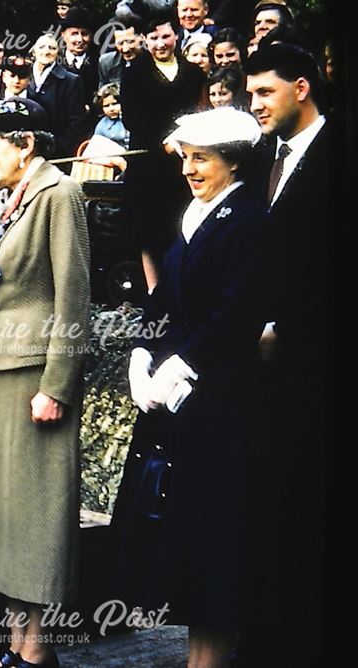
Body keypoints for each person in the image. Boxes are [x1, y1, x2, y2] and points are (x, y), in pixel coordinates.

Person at [112, 106, 266, 668]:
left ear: (232, 160)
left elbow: (236, 311)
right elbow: (164, 299)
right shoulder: (196, 213)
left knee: (214, 542)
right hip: (180, 406)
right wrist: (140, 352)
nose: (190, 170)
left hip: (221, 403)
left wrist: (183, 365)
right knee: (184, 541)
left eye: (202, 159)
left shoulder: (247, 217)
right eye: (186, 158)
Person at [0, 96, 90, 668]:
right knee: (3, 516)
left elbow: (73, 296)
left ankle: (37, 652)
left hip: (35, 380)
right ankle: (15, 647)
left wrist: (57, 385)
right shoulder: (5, 200)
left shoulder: (60, 194)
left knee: (35, 519)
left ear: (24, 143)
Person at [238, 42, 330, 666]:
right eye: (249, 94)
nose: (254, 105)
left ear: (301, 87)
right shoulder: (267, 158)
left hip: (319, 372)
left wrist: (288, 332)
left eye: (264, 93)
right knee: (269, 515)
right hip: (262, 377)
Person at [120, 8, 206, 293]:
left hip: (184, 161)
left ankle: (181, 288)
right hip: (149, 163)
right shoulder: (134, 74)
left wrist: (182, 139)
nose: (160, 43)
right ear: (145, 39)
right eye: (154, 37)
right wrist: (163, 142)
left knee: (180, 225)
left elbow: (198, 113)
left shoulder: (193, 73)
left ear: (176, 36)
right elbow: (132, 119)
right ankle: (154, 291)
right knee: (149, 232)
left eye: (166, 36)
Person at [27, 32, 87, 159]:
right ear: (34, 52)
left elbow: (77, 120)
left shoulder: (71, 80)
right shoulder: (23, 76)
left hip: (57, 152)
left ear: (58, 52)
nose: (46, 51)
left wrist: (60, 147)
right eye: (41, 47)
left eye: (52, 48)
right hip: (26, 149)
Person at [60, 7, 99, 109]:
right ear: (63, 35)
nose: (80, 40)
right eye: (74, 34)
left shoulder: (98, 64)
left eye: (85, 34)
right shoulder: (54, 63)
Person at [98, 20, 143, 87]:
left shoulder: (154, 60)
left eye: (130, 42)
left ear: (142, 38)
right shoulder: (106, 63)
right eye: (120, 43)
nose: (125, 49)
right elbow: (103, 94)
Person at [93, 82, 130, 147]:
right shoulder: (101, 126)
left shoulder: (130, 119)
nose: (111, 109)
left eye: (115, 104)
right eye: (106, 106)